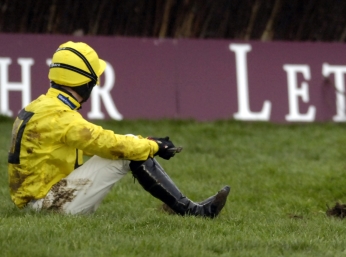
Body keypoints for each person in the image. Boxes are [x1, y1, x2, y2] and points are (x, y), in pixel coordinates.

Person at [7, 41, 230, 217]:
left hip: (35, 202)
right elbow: (108, 144)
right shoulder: (59, 116)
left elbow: (97, 143)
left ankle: (184, 207)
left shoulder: (42, 106)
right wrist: (152, 146)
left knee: (131, 146)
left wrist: (145, 143)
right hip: (47, 207)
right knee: (127, 152)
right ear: (85, 83)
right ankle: (192, 211)